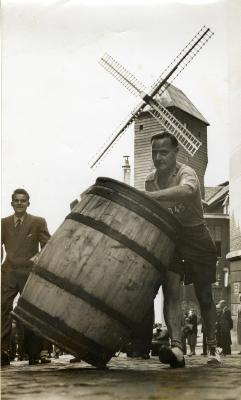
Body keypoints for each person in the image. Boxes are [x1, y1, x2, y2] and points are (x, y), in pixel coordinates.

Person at [142, 131, 220, 367]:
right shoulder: (150, 179)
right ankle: (177, 348)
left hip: (197, 237)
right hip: (172, 240)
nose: (158, 158)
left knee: (204, 296)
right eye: (154, 153)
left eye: (164, 152)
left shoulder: (187, 173)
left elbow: (187, 192)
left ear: (176, 153)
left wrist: (151, 196)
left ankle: (213, 348)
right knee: (171, 290)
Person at [1, 188, 51, 366]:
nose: (20, 203)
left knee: (31, 311)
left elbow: (47, 245)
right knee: (2, 308)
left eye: (23, 200)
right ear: (12, 203)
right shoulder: (3, 223)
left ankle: (34, 353)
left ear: (28, 203)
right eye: (16, 200)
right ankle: (3, 351)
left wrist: (37, 258)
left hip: (29, 272)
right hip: (8, 273)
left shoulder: (38, 222)